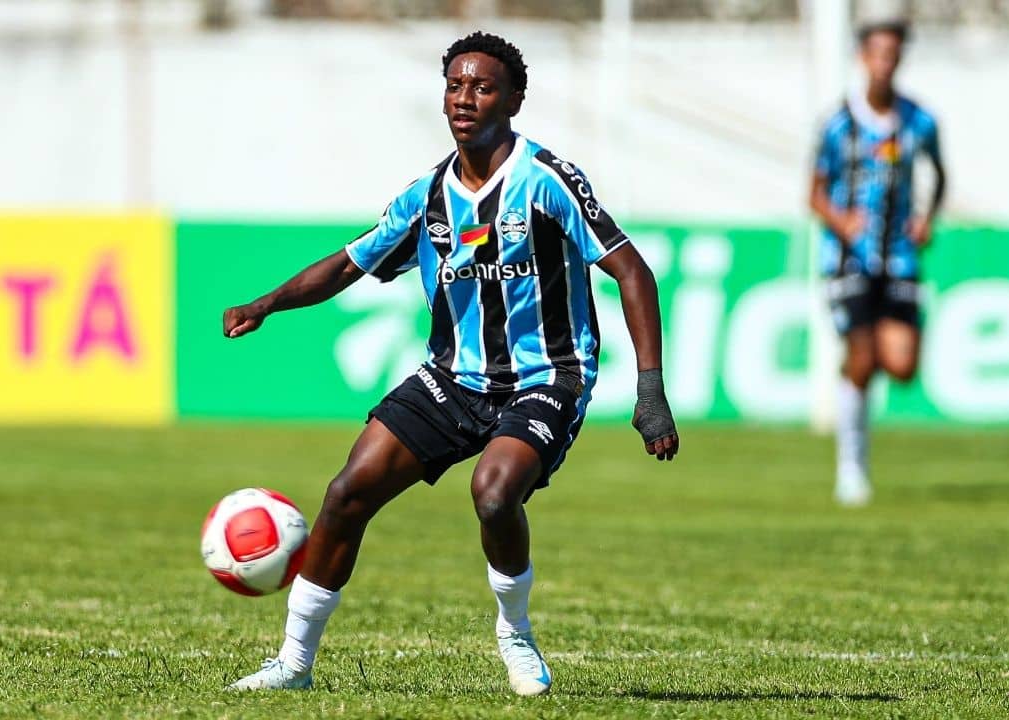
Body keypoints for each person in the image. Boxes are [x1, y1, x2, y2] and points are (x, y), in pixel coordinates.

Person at [220, 31, 679, 695]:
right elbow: (351, 263)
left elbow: (632, 271)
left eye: (483, 86)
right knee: (348, 493)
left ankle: (515, 634)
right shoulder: (428, 195)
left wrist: (651, 391)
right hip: (452, 380)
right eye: (456, 85)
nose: (465, 98)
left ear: (514, 100)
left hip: (546, 377)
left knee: (494, 494)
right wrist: (268, 302)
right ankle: (293, 664)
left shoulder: (546, 180)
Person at [809, 19, 946, 507]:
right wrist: (841, 220)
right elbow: (815, 193)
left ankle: (853, 375)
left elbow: (940, 174)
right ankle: (852, 469)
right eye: (878, 53)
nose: (885, 62)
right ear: (863, 58)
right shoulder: (838, 124)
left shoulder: (919, 121)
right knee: (864, 357)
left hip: (900, 258)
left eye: (893, 54)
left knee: (901, 365)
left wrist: (927, 217)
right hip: (848, 259)